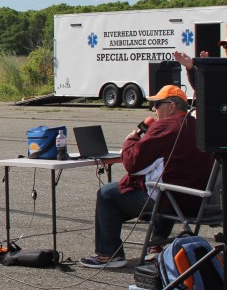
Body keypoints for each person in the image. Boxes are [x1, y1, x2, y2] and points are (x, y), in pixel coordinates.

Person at [80, 85, 213, 268]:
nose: (153, 109)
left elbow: (133, 165)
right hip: (199, 202)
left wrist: (131, 140)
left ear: (172, 106)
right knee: (162, 185)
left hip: (172, 201)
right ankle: (156, 245)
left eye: (157, 104)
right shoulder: (200, 126)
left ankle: (108, 254)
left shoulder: (165, 128)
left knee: (107, 194)